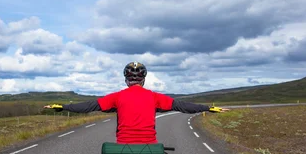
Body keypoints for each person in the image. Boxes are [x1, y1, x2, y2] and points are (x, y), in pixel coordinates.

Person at [44, 61, 228, 143]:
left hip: (123, 147)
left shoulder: (117, 97)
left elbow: (89, 106)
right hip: (149, 147)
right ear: (143, 80)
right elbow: (182, 105)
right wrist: (209, 108)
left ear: (126, 80)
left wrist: (63, 107)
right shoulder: (154, 97)